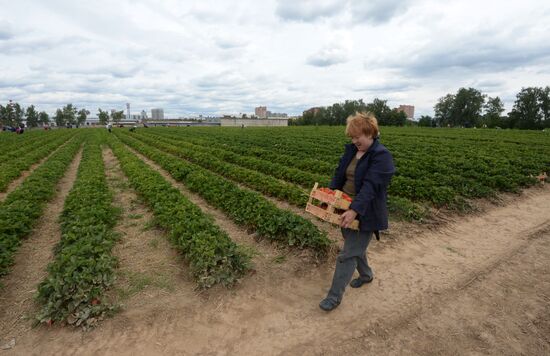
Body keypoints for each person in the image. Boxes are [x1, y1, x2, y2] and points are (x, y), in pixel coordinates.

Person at [319, 112, 395, 312]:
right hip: (345, 207)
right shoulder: (352, 150)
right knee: (354, 247)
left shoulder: (382, 156)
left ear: (370, 133)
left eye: (357, 136)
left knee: (348, 253)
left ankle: (334, 297)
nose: (354, 141)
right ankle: (366, 275)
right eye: (351, 137)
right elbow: (339, 173)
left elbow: (371, 186)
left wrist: (354, 210)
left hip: (365, 212)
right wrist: (330, 196)